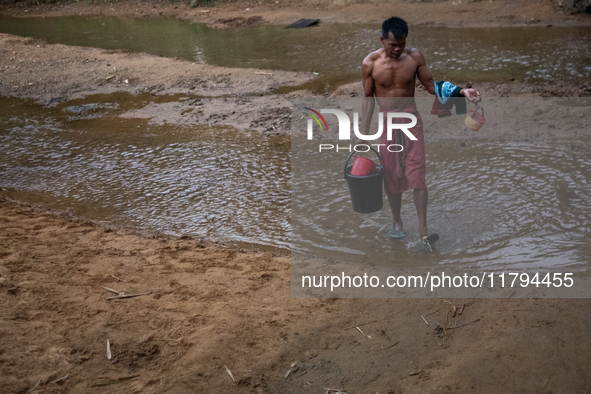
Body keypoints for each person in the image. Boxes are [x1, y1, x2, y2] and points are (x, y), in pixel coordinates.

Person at [356, 16, 480, 245]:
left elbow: (431, 84)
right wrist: (364, 135)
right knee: (392, 176)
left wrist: (461, 92)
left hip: (412, 119)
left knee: (417, 174)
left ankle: (423, 229)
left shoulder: (414, 57)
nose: (397, 49)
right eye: (392, 44)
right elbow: (368, 100)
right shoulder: (370, 63)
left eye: (401, 44)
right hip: (387, 123)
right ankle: (397, 222)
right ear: (382, 39)